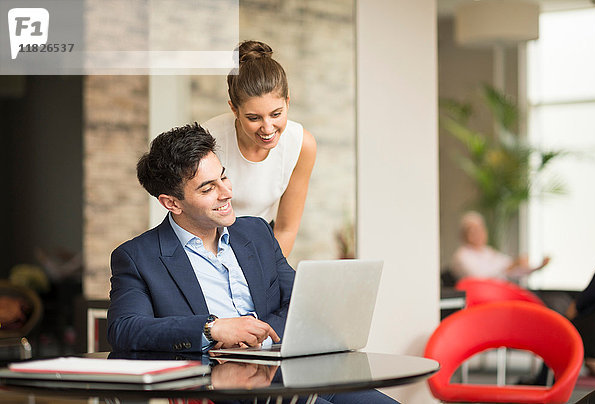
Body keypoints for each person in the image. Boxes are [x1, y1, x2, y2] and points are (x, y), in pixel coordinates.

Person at [107, 123, 397, 404]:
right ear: (172, 203)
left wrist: (253, 334)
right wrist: (213, 329)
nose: (226, 193)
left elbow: (301, 303)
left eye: (224, 177)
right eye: (208, 189)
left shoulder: (256, 232)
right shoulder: (138, 257)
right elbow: (125, 329)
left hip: (294, 373)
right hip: (225, 389)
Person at [202, 40, 317, 258]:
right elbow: (194, 220)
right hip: (208, 238)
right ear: (234, 109)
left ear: (288, 102)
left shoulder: (302, 145)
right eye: (254, 118)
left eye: (276, 114)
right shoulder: (207, 140)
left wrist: (266, 274)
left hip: (263, 240)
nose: (267, 128)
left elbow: (286, 228)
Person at [450, 211, 550, 282]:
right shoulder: (461, 256)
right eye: (473, 231)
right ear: (464, 235)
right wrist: (509, 267)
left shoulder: (489, 252)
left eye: (480, 229)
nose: (478, 234)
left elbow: (512, 270)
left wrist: (538, 267)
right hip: (480, 299)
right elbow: (480, 278)